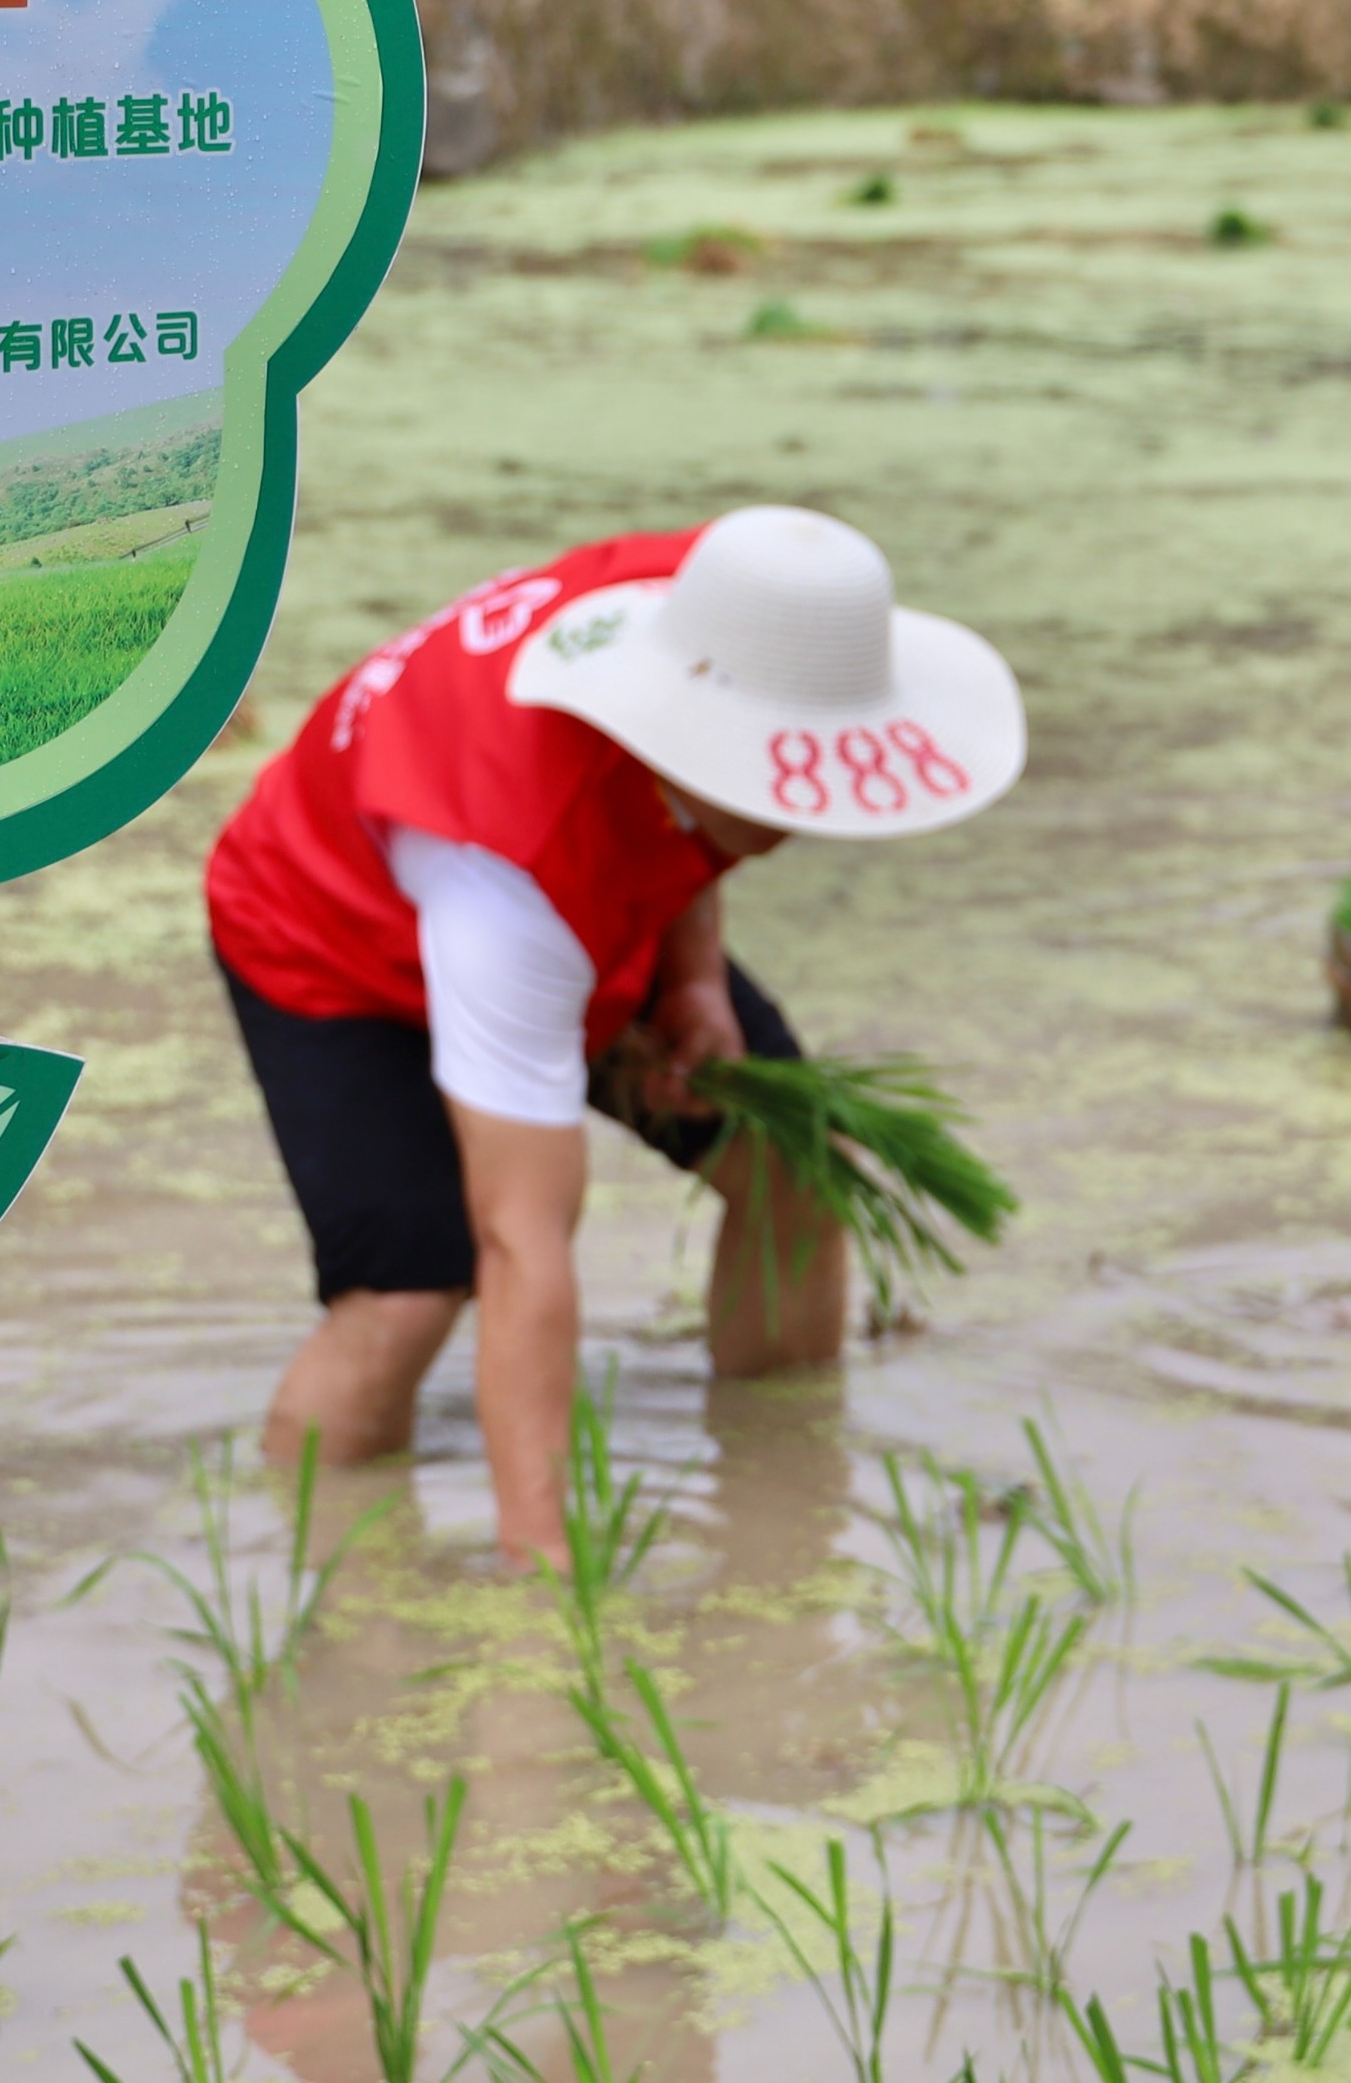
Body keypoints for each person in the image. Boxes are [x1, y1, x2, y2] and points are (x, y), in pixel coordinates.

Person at [201, 507, 1026, 1568]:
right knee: (412, 1289)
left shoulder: (739, 601)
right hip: (335, 936)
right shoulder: (507, 878)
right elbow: (523, 1242)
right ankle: (313, 1565)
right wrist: (547, 1584)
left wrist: (691, 982)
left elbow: (687, 808)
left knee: (793, 1168)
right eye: (770, 778)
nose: (797, 814)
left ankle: (779, 1501)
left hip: (574, 878)